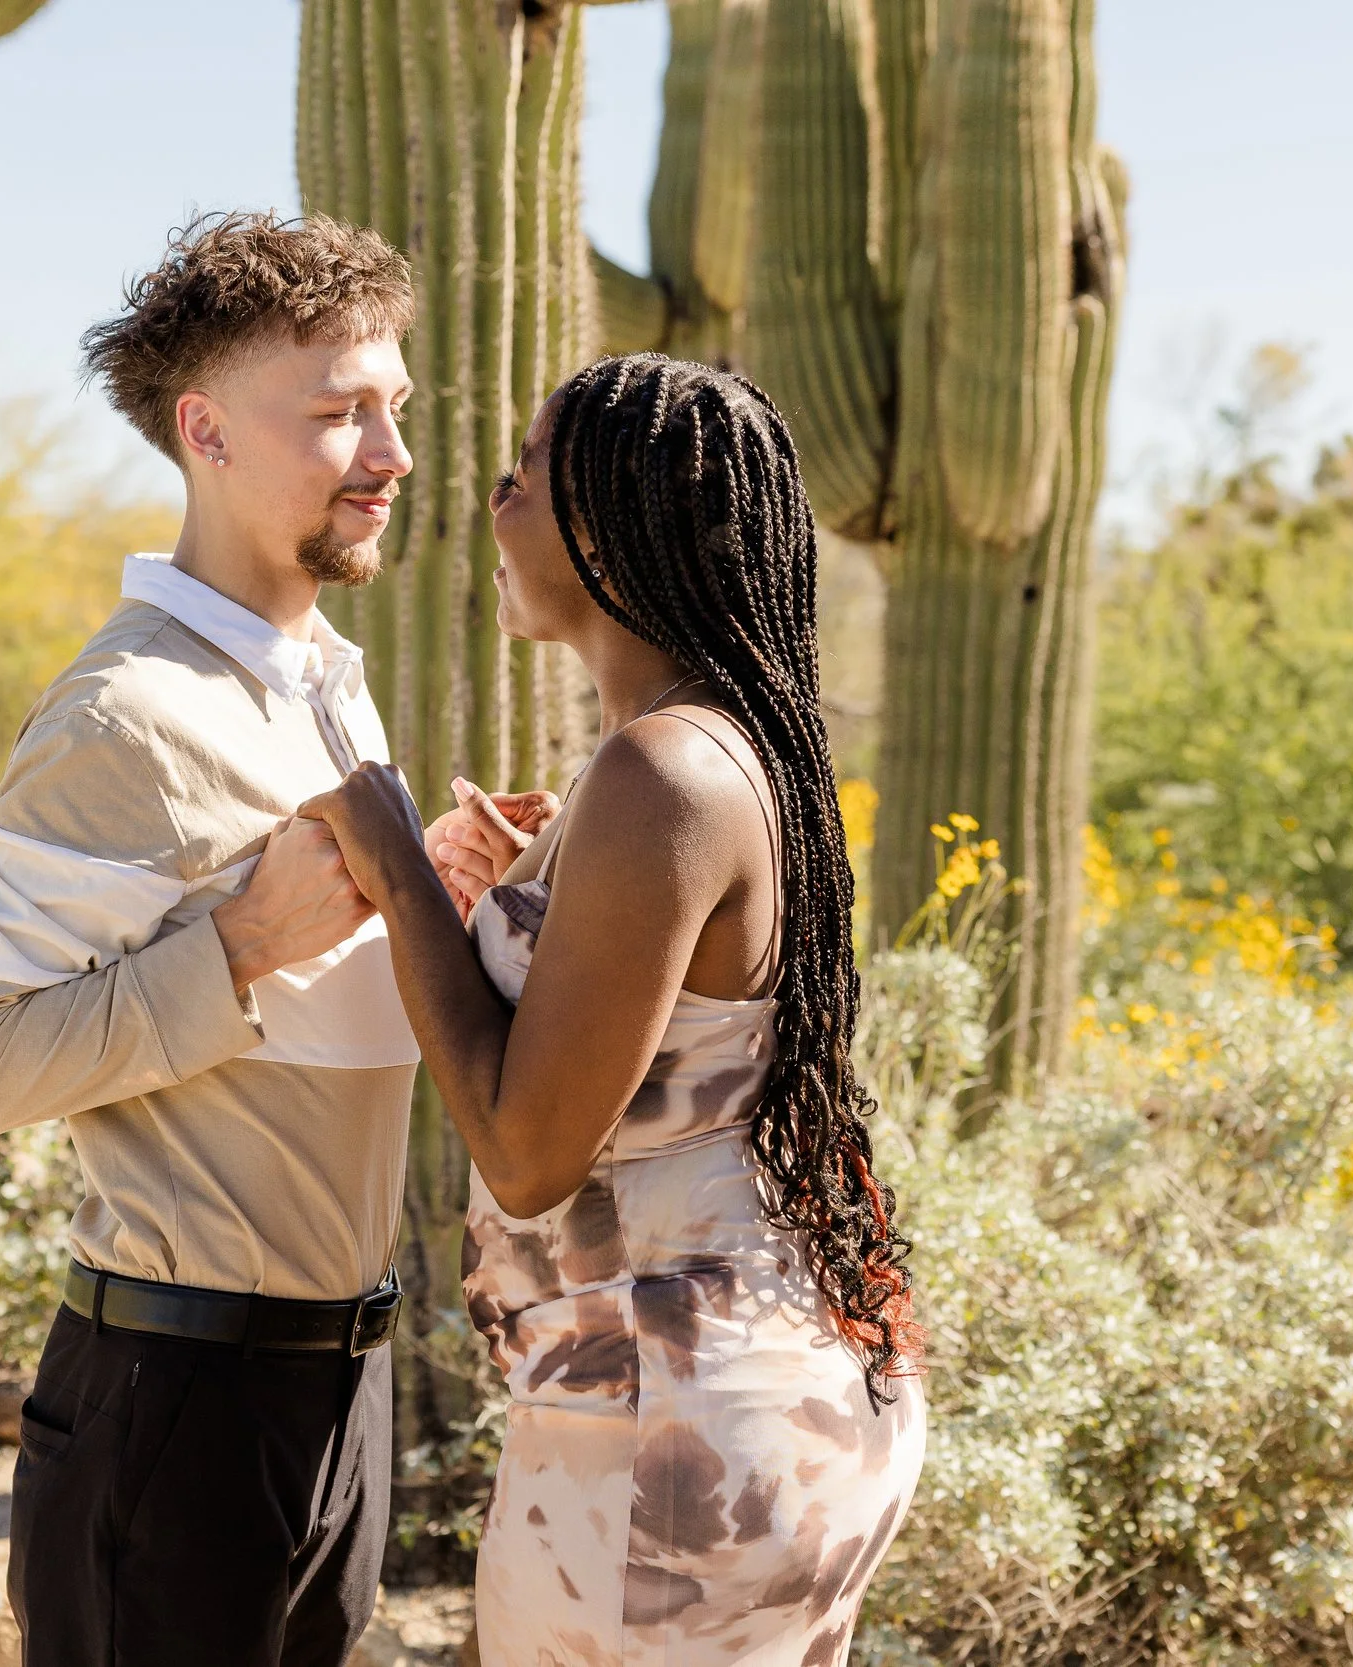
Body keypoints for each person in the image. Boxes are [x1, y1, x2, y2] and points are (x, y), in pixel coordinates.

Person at [304, 354, 930, 1666]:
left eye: (523, 475)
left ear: (605, 526)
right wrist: (513, 895)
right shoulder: (718, 744)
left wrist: (397, 863)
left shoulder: (664, 768)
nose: (490, 496)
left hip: (673, 1432)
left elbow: (529, 1153)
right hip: (750, 1395)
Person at [0, 212, 434, 1667]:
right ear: (204, 430)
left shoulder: (327, 685)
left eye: (395, 408)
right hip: (176, 1402)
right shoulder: (121, 712)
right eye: (337, 415)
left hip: (339, 1391)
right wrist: (240, 948)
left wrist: (434, 892)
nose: (389, 455)